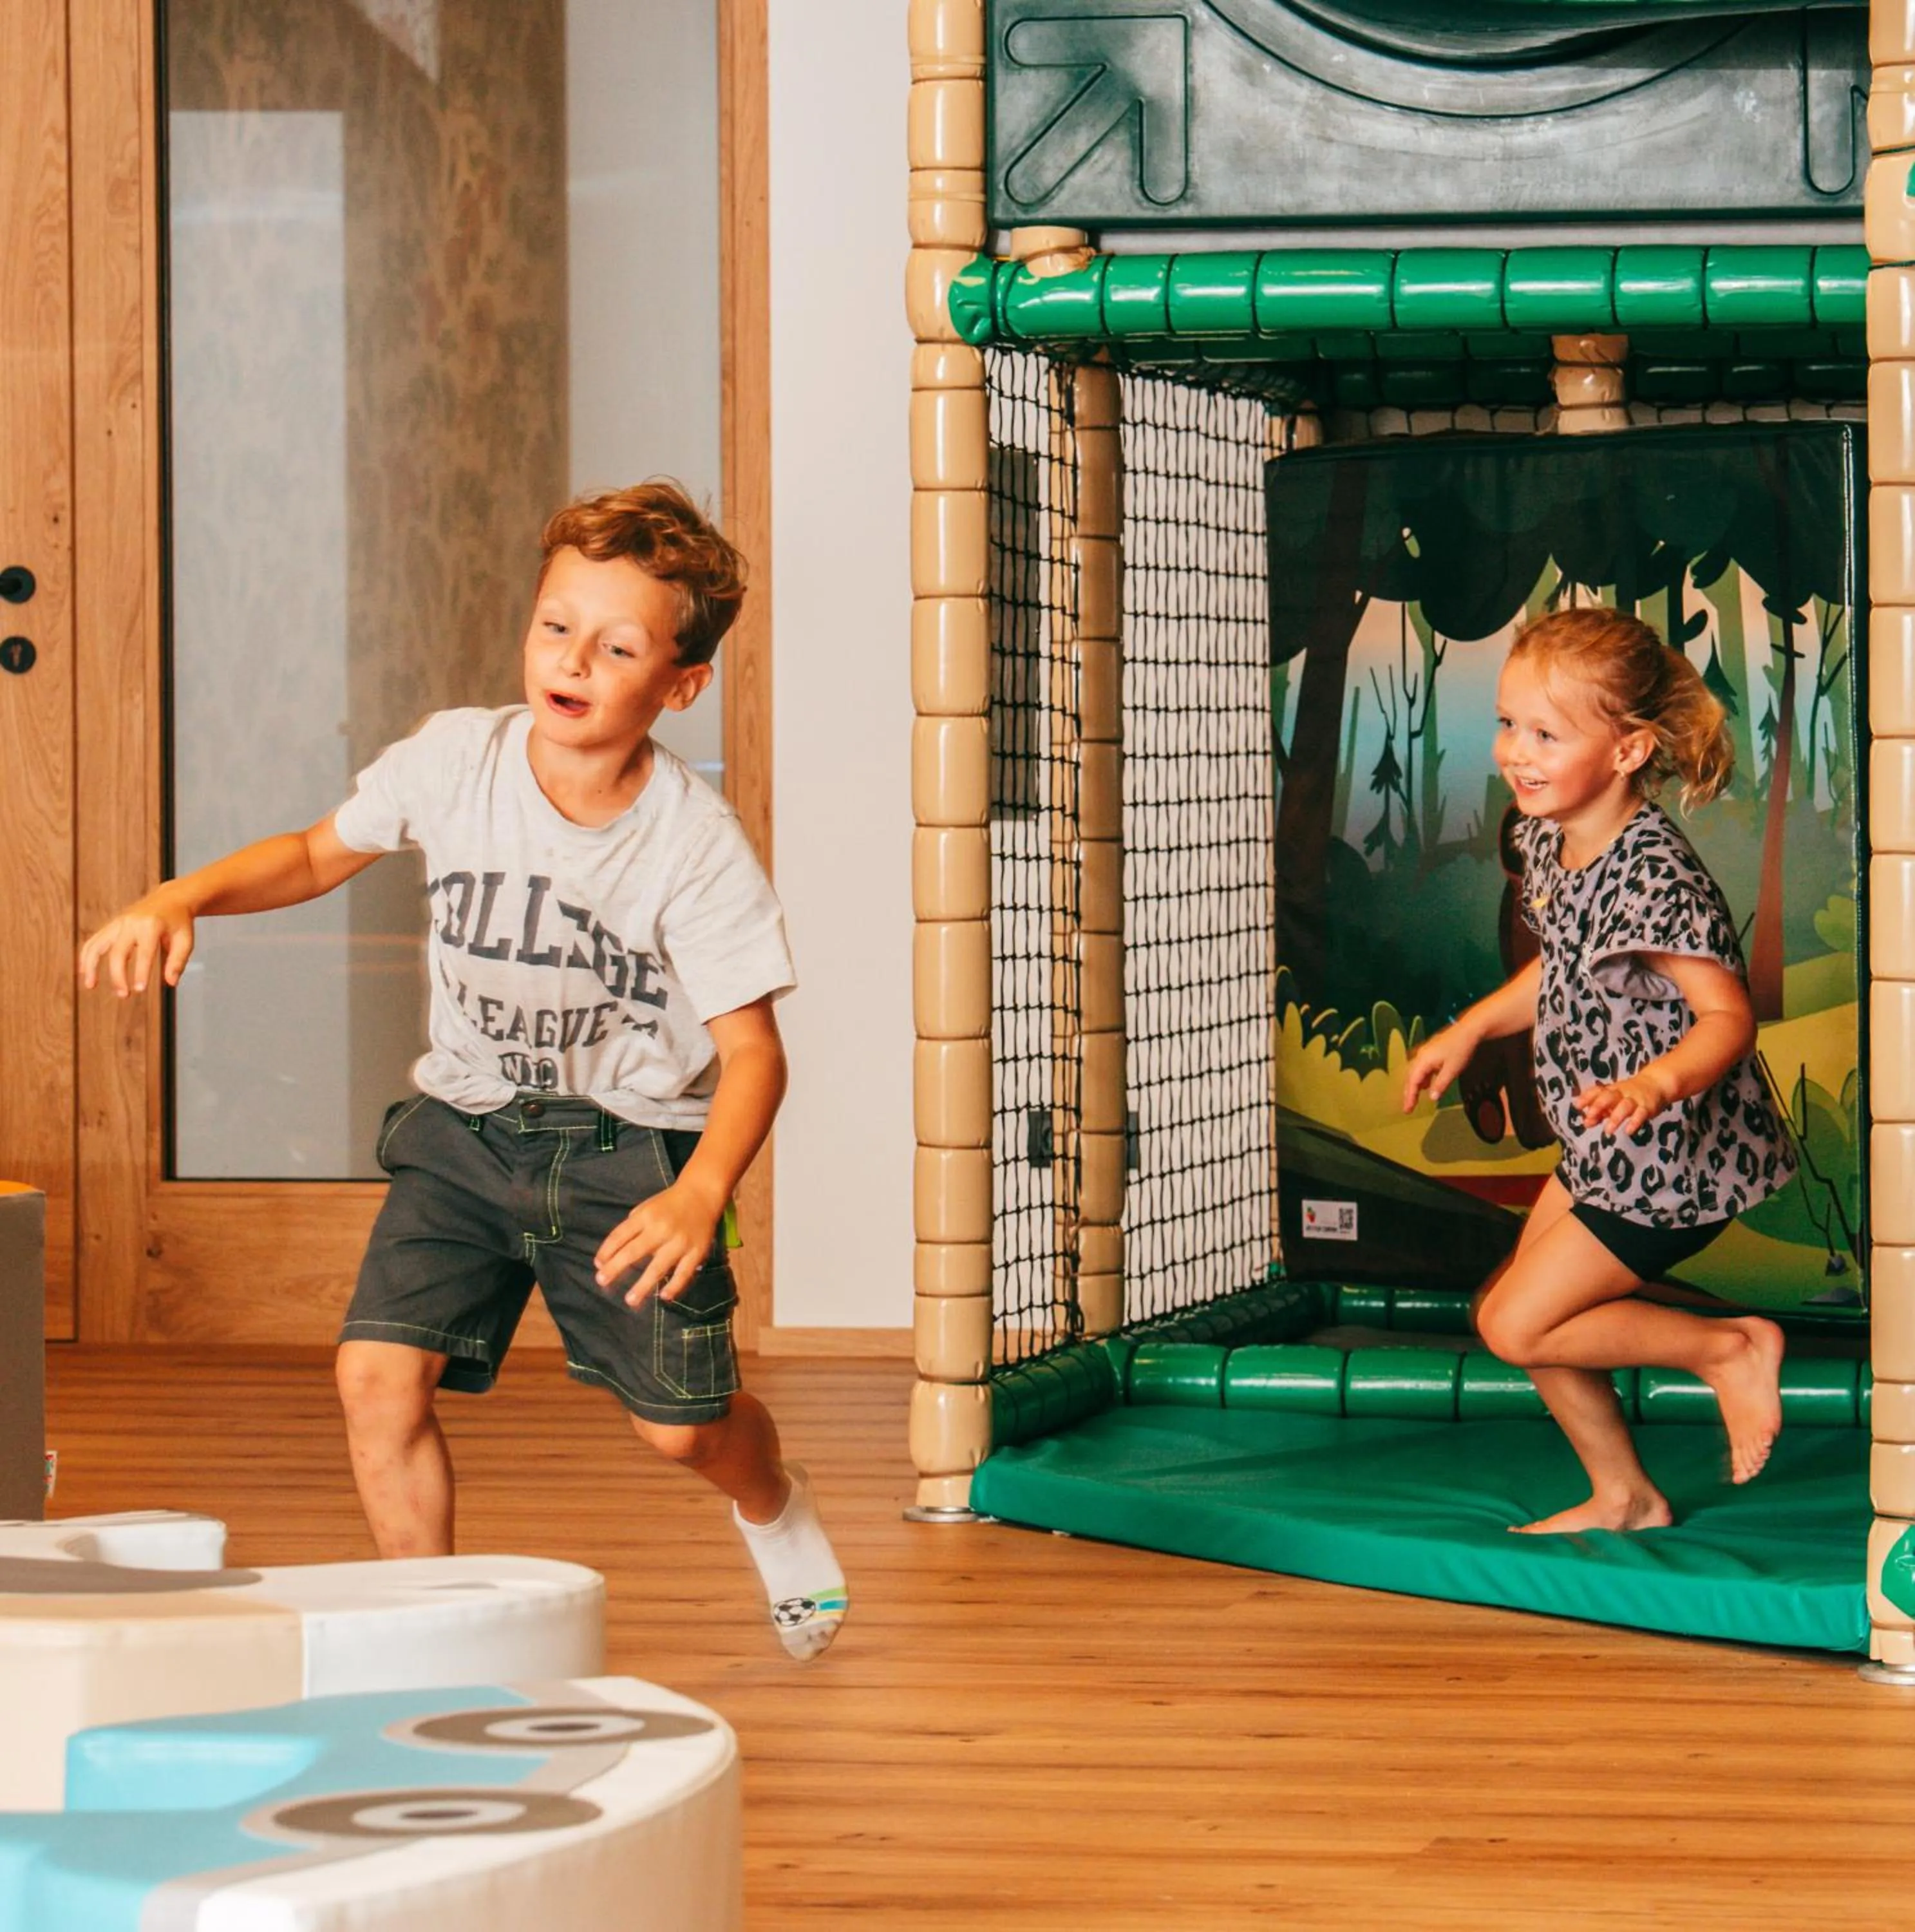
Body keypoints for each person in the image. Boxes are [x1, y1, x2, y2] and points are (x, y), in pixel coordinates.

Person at [80, 482, 846, 1657]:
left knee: (682, 1434)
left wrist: (699, 1193)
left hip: (628, 1155)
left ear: (679, 687)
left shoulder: (694, 847)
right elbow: (309, 854)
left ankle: (772, 1503)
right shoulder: (455, 758)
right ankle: (430, 1635)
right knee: (376, 1379)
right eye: (556, 626)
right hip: (467, 1128)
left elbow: (752, 1055)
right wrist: (182, 895)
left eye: (618, 645)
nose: (574, 659)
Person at [1401, 605, 1797, 1535]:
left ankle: (1729, 1349)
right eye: (1507, 724)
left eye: (1545, 732)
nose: (1515, 751)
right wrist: (1471, 1028)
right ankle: (1625, 1496)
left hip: (1665, 1163)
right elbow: (1564, 964)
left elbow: (1726, 1018)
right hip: (1604, 1147)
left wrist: (1654, 1084)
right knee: (1512, 1309)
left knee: (1514, 1325)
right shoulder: (1551, 837)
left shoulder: (1655, 874)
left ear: (1624, 753)